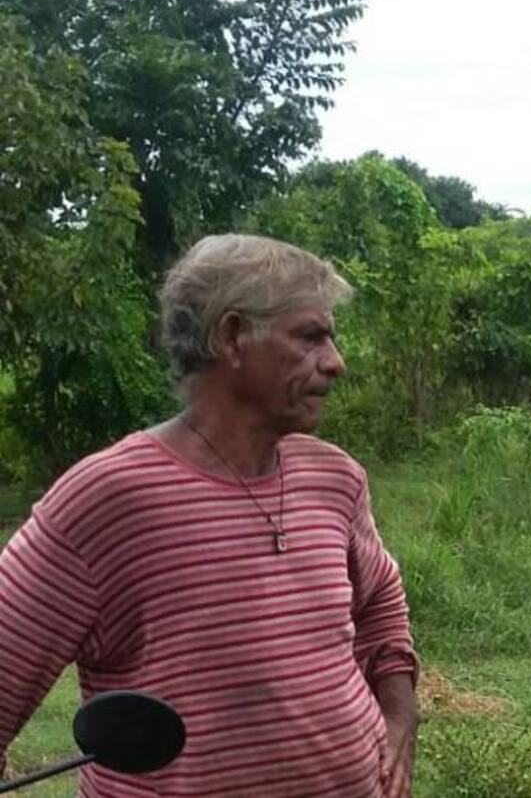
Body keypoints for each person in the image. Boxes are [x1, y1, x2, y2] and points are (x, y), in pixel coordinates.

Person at [0, 234, 419, 797]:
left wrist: (399, 718)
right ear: (233, 337)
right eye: (310, 336)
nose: (335, 363)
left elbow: (380, 605)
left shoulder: (335, 477)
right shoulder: (107, 498)